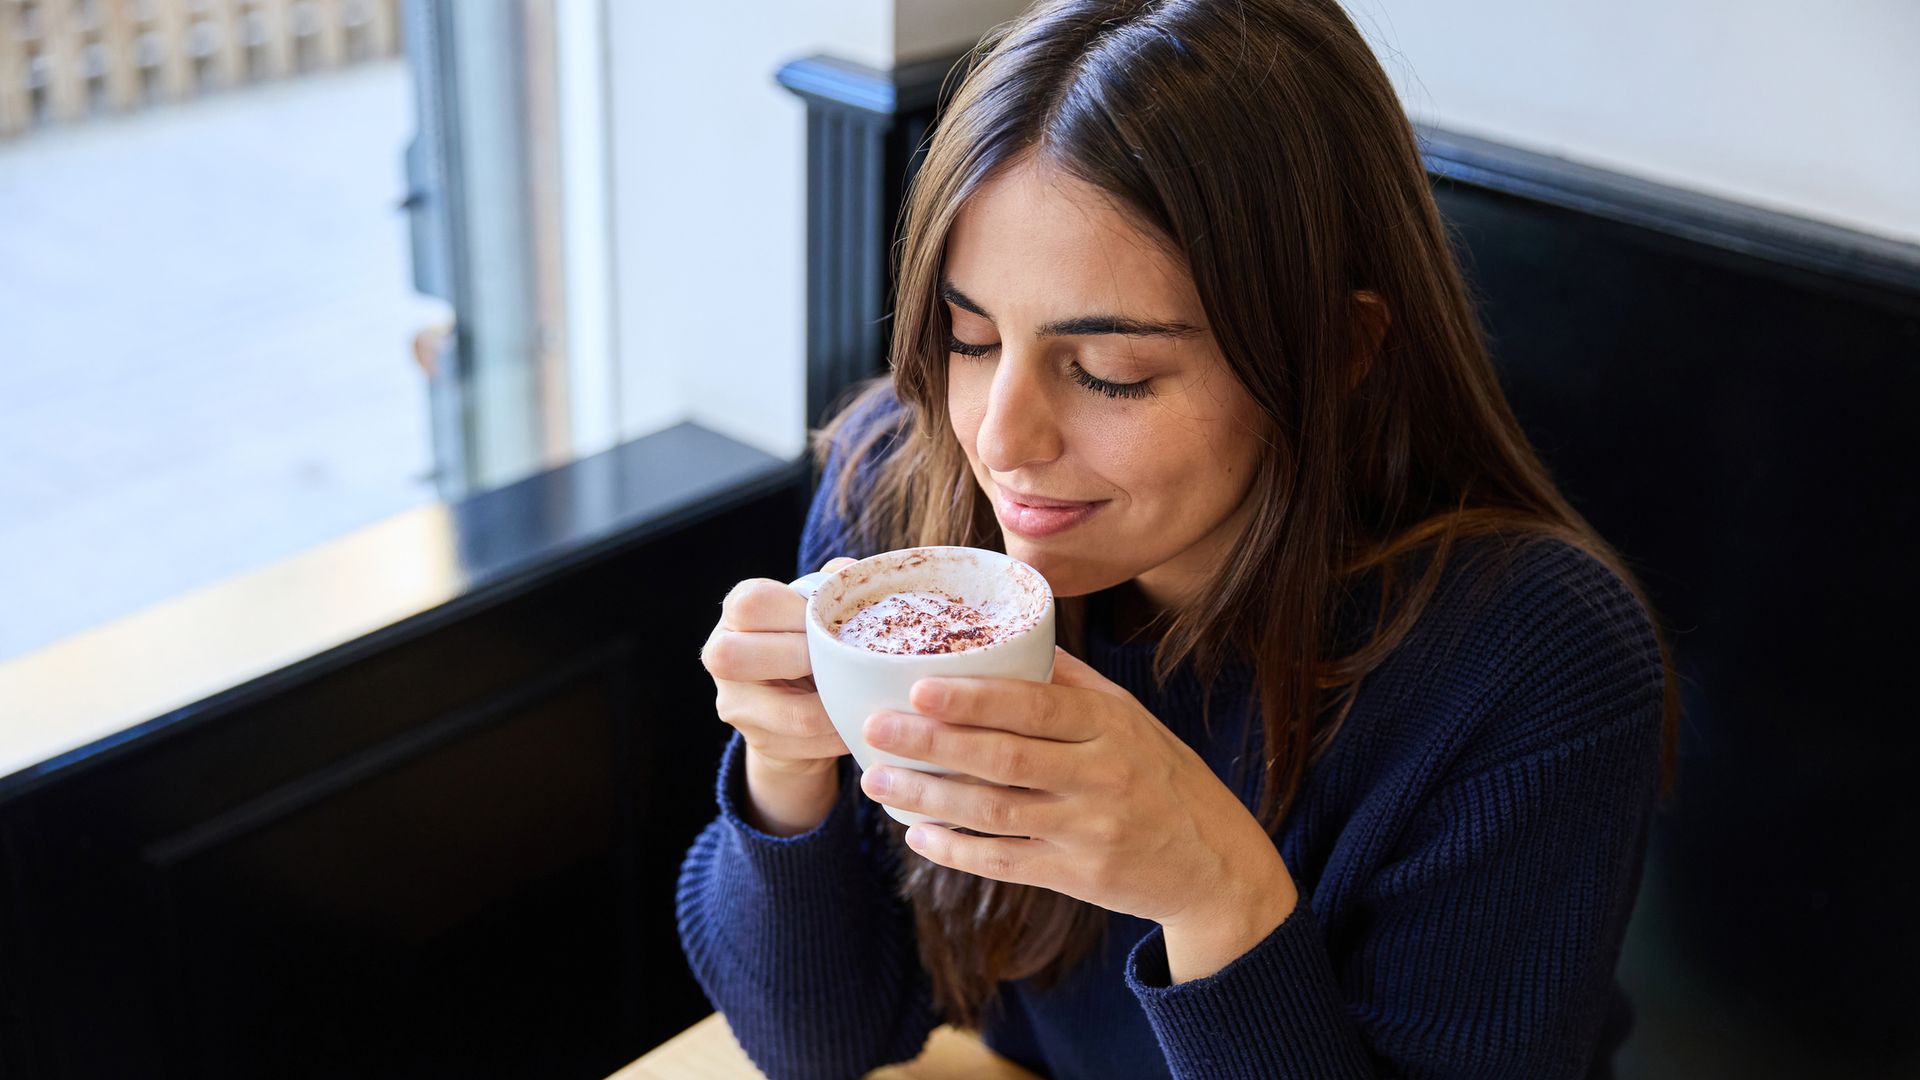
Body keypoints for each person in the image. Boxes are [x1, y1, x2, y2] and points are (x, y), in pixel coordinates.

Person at [677, 1, 1679, 1076]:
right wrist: (788, 768)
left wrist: (1215, 895)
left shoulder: (1528, 660)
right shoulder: (904, 489)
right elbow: (814, 1040)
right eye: (970, 338)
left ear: (1337, 351)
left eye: (1112, 372)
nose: (1000, 439)